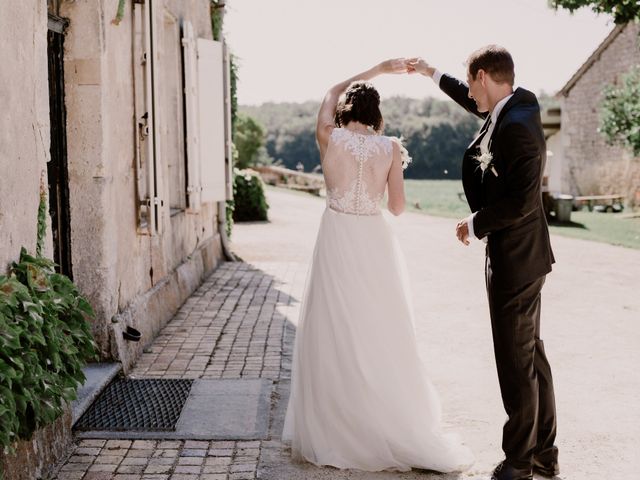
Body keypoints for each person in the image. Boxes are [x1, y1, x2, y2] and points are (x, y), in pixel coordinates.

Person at [281, 59, 474, 473]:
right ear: (376, 115)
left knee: (331, 326)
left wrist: (378, 69)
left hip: (336, 234)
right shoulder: (390, 148)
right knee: (377, 329)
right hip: (373, 240)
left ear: (345, 111)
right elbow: (399, 208)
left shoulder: (328, 136)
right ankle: (384, 420)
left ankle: (336, 426)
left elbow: (330, 90)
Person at [407, 46, 559, 480]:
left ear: (483, 77)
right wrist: (430, 73)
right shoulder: (508, 110)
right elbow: (469, 100)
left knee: (516, 362)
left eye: (470, 83)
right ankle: (544, 454)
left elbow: (524, 201)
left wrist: (476, 223)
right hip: (520, 254)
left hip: (517, 257)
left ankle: (518, 463)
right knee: (530, 357)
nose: (470, 94)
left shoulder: (518, 126)